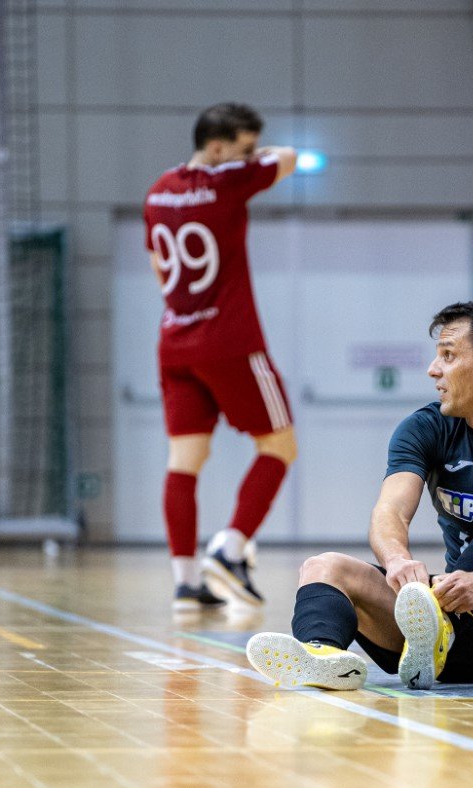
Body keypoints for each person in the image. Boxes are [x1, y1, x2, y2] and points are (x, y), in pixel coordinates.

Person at [246, 300, 473, 691]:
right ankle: (323, 655)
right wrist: (398, 560)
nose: (433, 370)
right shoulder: (424, 428)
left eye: (448, 356)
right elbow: (390, 511)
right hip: (458, 626)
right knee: (323, 567)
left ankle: (439, 613)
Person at [143, 103, 298, 614]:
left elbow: (156, 265)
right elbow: (290, 158)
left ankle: (185, 581)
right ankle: (231, 550)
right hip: (229, 341)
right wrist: (263, 157)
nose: (251, 157)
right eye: (244, 148)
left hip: (174, 343)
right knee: (280, 446)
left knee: (184, 460)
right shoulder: (230, 181)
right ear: (216, 148)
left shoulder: (158, 190)